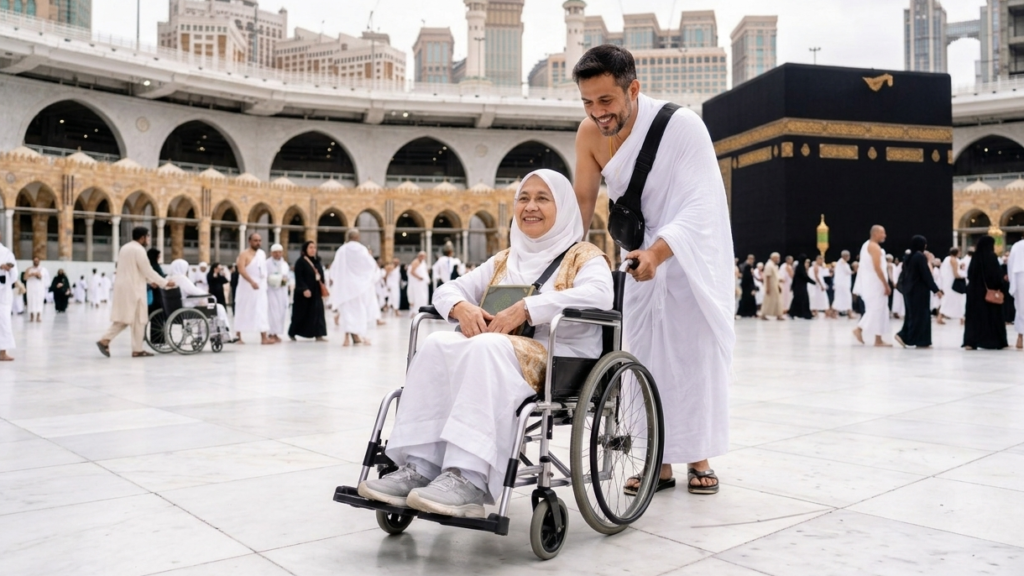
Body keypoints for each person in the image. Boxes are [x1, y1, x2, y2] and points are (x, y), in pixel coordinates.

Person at [358, 169, 613, 517]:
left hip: (560, 359)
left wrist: (527, 308)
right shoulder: (505, 259)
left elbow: (600, 294)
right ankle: (418, 467)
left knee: (485, 346)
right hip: (500, 353)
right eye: (523, 198)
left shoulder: (584, 255)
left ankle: (469, 478)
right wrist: (461, 307)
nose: (530, 207)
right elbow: (448, 289)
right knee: (436, 344)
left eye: (542, 198)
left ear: (564, 206)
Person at [572, 45, 733, 494]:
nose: (597, 113)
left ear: (633, 89)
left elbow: (701, 206)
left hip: (686, 260)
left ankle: (698, 456)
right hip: (637, 260)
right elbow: (582, 207)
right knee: (645, 358)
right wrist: (567, 260)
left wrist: (660, 254)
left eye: (606, 101)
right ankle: (656, 460)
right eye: (587, 102)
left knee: (690, 357)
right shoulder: (588, 135)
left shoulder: (682, 127)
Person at [96, 227, 175, 357]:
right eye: (148, 237)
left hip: (125, 287)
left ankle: (137, 349)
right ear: (142, 237)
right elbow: (147, 270)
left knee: (137, 318)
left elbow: (136, 270)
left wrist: (150, 281)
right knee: (129, 318)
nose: (149, 239)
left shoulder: (125, 248)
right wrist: (165, 283)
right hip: (134, 289)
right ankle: (105, 339)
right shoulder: (139, 250)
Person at [329, 229, 379, 346]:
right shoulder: (362, 249)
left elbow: (335, 268)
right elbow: (371, 266)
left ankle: (347, 337)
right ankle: (360, 335)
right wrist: (364, 279)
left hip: (345, 287)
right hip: (358, 287)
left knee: (346, 312)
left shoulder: (342, 250)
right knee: (359, 312)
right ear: (358, 237)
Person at [895, 236, 943, 348]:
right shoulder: (920, 257)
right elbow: (926, 276)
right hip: (919, 292)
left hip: (910, 291)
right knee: (921, 317)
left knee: (913, 316)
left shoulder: (909, 257)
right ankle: (911, 338)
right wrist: (936, 290)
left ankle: (912, 338)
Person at [963, 236, 1009, 350]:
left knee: (974, 319)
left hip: (974, 293)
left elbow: (969, 274)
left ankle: (970, 342)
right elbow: (996, 276)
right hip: (988, 294)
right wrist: (1001, 286)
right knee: (991, 318)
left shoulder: (975, 257)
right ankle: (992, 342)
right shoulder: (992, 257)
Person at [165, 259, 232, 333]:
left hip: (174, 307)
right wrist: (208, 295)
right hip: (188, 307)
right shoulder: (182, 279)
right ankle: (224, 331)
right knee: (219, 307)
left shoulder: (168, 279)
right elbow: (194, 291)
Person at [853, 226, 892, 347]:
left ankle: (878, 339)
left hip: (873, 282)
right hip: (876, 283)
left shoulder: (867, 245)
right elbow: (877, 267)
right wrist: (886, 284)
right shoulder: (874, 247)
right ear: (875, 234)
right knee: (876, 309)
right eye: (882, 233)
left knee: (880, 310)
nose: (884, 235)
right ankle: (859, 329)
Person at [234, 233, 273, 345]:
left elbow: (263, 270)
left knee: (261, 310)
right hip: (246, 286)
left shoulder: (261, 254)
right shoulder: (244, 254)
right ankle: (238, 336)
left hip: (260, 287)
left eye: (260, 240)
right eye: (255, 240)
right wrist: (251, 281)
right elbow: (241, 270)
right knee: (242, 309)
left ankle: (264, 337)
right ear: (249, 241)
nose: (258, 242)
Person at [289, 240, 328, 342]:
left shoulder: (317, 261)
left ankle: (319, 334)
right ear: (305, 249)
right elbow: (299, 278)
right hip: (304, 293)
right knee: (301, 314)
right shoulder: (300, 262)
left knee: (318, 313)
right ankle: (292, 333)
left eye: (314, 248)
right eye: (310, 248)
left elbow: (321, 276)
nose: (313, 250)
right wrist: (304, 289)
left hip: (316, 292)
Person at [266, 244, 291, 343]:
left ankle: (276, 333)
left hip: (282, 292)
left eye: (279, 252)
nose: (277, 254)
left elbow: (287, 276)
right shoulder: (267, 263)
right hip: (271, 292)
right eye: (275, 252)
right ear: (271, 253)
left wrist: (284, 280)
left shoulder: (284, 264)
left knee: (281, 313)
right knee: (272, 313)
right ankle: (271, 333)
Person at [938, 248, 966, 325]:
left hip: (948, 283)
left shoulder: (947, 259)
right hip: (952, 284)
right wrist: (964, 276)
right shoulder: (953, 260)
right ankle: (961, 318)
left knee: (951, 300)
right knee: (956, 300)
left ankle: (961, 318)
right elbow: (956, 274)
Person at [0, 241, 17, 361]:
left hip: (3, 293)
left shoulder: (6, 253)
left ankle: (2, 352)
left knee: (4, 322)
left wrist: (8, 269)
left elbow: (14, 275)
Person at [1007, 241, 1024, 349]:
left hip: (1019, 277)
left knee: (1021, 308)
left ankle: (1020, 338)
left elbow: (1010, 264)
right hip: (1019, 274)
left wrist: (1011, 280)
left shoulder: (1017, 245)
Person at [788, 255, 814, 320]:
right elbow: (804, 277)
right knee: (802, 300)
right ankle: (803, 314)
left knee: (799, 300)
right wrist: (813, 282)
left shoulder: (799, 267)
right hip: (800, 287)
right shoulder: (800, 267)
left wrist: (792, 285)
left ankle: (798, 313)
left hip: (799, 287)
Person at [24, 257, 49, 322]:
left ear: (39, 261)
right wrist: (33, 274)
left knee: (39, 302)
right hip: (31, 288)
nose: (36, 262)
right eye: (34, 260)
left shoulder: (42, 269)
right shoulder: (29, 269)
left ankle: (38, 317)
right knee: (31, 302)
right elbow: (25, 277)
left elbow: (40, 276)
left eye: (37, 260)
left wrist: (33, 274)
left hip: (39, 288)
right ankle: (31, 317)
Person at [761, 253, 785, 320]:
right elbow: (768, 277)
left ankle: (778, 315)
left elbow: (775, 277)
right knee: (768, 301)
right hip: (771, 287)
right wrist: (768, 288)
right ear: (773, 258)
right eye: (777, 258)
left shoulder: (773, 265)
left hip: (775, 286)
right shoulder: (769, 265)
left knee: (777, 301)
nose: (778, 259)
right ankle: (763, 314)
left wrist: (779, 284)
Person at [407, 251, 430, 316]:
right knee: (418, 297)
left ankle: (423, 310)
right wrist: (419, 277)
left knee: (423, 297)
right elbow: (412, 272)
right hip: (417, 283)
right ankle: (416, 311)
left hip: (422, 284)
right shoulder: (416, 262)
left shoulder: (422, 262)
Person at [833, 251, 854, 318]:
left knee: (841, 298)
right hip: (842, 285)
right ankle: (848, 314)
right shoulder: (842, 263)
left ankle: (837, 313)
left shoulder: (840, 262)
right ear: (845, 256)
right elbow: (848, 272)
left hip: (842, 285)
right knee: (845, 298)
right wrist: (855, 270)